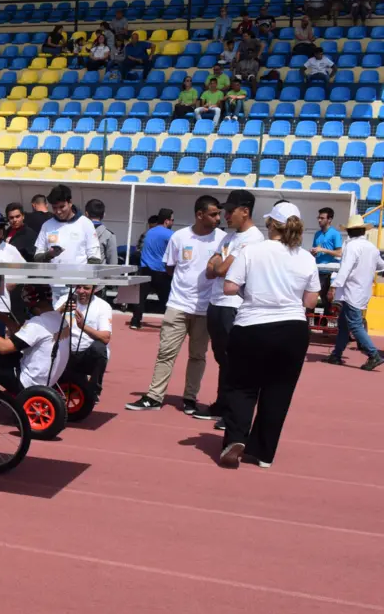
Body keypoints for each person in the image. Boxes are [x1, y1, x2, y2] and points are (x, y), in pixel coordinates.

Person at [218, 202, 320, 469]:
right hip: (293, 329)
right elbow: (310, 302)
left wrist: (249, 291)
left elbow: (230, 287)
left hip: (252, 324)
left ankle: (235, 440)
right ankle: (263, 452)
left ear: (271, 224)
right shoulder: (307, 258)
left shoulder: (252, 251)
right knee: (279, 390)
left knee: (241, 387)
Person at [127, 196, 225, 414]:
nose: (218, 218)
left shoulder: (223, 239)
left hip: (205, 308)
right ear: (199, 215)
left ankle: (190, 398)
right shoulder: (179, 237)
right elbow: (169, 268)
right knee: (166, 353)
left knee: (198, 356)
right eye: (213, 214)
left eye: (218, 214)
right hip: (178, 304)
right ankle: (154, 397)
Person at [199, 190, 264, 429]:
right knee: (222, 358)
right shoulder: (229, 238)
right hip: (217, 303)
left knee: (233, 361)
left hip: (233, 305)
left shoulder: (253, 238)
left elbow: (222, 268)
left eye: (230, 211)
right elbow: (210, 269)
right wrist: (217, 265)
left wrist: (217, 265)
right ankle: (222, 404)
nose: (225, 216)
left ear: (245, 211)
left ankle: (232, 413)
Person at [323, 215, 384, 371]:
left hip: (350, 291)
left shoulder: (351, 246)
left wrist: (334, 286)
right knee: (344, 324)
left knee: (355, 325)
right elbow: (380, 266)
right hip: (362, 291)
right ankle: (336, 355)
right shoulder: (372, 248)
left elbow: (345, 269)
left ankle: (373, 355)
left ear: (349, 231)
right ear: (363, 230)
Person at [33, 184, 102, 301]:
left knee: (78, 319)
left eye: (62, 207)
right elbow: (37, 257)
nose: (58, 211)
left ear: (70, 202)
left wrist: (85, 286)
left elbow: (94, 257)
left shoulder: (85, 223)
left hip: (78, 288)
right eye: (54, 208)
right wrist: (49, 255)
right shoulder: (47, 225)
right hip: (54, 286)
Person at [58, 284, 112, 398]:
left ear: (94, 289)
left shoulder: (103, 306)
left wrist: (83, 326)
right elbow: (48, 320)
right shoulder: (64, 300)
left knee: (99, 348)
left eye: (86, 288)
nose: (81, 291)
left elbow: (105, 337)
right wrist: (60, 310)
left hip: (86, 353)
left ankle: (94, 390)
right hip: (65, 351)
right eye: (78, 287)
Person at [129, 209, 174, 329]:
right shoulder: (170, 235)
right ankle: (170, 324)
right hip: (162, 271)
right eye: (172, 220)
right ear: (166, 221)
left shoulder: (148, 233)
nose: (173, 222)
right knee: (167, 300)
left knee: (140, 298)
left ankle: (135, 321)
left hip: (145, 269)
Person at [310, 206, 342, 319]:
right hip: (317, 270)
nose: (319, 220)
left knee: (326, 297)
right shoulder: (317, 234)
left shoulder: (335, 234)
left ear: (329, 219)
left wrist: (323, 250)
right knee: (316, 296)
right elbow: (317, 249)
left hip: (330, 272)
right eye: (318, 217)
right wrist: (313, 252)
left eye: (322, 218)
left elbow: (339, 253)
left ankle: (330, 318)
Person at [85, 198, 117, 264]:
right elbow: (113, 263)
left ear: (86, 214)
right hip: (101, 273)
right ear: (104, 215)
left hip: (80, 273)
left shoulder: (79, 232)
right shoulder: (109, 235)